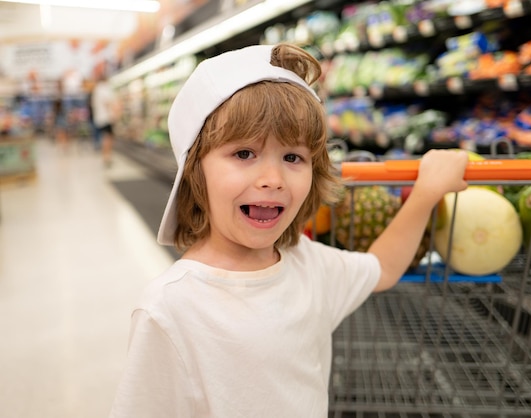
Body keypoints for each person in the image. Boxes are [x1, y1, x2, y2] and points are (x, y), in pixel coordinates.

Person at [109, 43, 468, 418]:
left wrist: (426, 193)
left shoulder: (308, 265)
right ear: (195, 171)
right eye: (244, 153)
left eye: (293, 157)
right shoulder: (169, 310)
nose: (273, 179)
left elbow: (383, 267)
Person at [91, 72, 118, 166]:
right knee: (108, 138)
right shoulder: (104, 89)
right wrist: (114, 114)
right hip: (106, 118)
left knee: (104, 138)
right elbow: (107, 102)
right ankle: (107, 157)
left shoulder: (97, 89)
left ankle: (105, 157)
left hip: (100, 118)